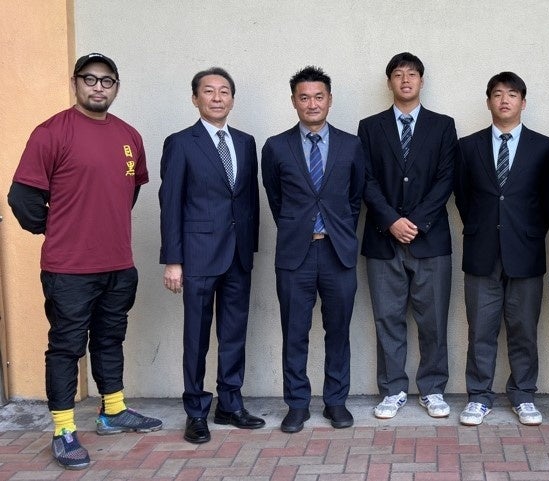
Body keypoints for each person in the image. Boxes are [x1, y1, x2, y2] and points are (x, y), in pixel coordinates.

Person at [7, 52, 162, 470]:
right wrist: (59, 228)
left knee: (110, 338)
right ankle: (63, 429)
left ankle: (113, 410)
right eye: (90, 79)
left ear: (116, 87)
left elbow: (129, 192)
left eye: (107, 80)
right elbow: (22, 198)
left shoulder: (129, 136)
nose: (98, 87)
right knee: (66, 347)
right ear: (75, 83)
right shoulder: (51, 132)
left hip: (118, 264)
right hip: (69, 268)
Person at [159, 67, 262, 444]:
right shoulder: (181, 143)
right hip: (198, 255)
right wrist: (173, 260)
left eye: (224, 92)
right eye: (209, 91)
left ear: (232, 99)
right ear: (195, 98)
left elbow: (249, 199)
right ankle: (196, 411)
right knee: (197, 337)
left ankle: (230, 404)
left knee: (234, 333)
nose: (217, 98)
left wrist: (250, 246)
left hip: (237, 256)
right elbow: (170, 203)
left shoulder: (246, 142)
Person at [262, 66, 365, 433]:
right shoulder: (276, 146)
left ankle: (336, 401)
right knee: (295, 332)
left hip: (338, 252)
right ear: (294, 102)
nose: (312, 104)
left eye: (318, 96)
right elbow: (276, 198)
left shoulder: (351, 145)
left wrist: (337, 230)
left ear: (329, 100)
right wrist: (299, 228)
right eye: (304, 97)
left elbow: (355, 198)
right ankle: (297, 404)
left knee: (338, 331)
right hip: (296, 254)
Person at [358, 52, 458, 419]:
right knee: (388, 318)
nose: (405, 80)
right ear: (389, 82)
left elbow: (447, 178)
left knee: (434, 319)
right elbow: (364, 178)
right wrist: (391, 220)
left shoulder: (442, 126)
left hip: (430, 239)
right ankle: (393, 389)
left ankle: (433, 388)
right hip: (383, 238)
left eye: (412, 74)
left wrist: (415, 221)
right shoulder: (370, 127)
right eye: (398, 74)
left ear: (421, 81)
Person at [454, 72, 549, 426]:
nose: (504, 100)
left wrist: (529, 232)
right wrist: (482, 227)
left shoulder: (545, 147)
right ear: (488, 102)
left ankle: (524, 395)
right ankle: (479, 396)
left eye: (512, 94)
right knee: (480, 330)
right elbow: (463, 197)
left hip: (526, 251)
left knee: (523, 329)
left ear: (523, 102)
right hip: (481, 251)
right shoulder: (468, 146)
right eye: (497, 94)